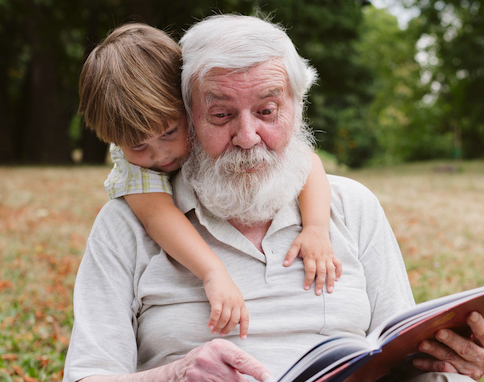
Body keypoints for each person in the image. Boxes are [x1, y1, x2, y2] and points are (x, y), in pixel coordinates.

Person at [58, 14, 484, 382]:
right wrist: (177, 380)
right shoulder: (129, 223)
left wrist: (450, 357)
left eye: (267, 112)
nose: (248, 137)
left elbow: (400, 358)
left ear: (296, 107)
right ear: (189, 112)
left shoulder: (349, 206)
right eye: (222, 114)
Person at [78, 23, 342, 338]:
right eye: (138, 146)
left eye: (169, 133)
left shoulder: (204, 115)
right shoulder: (134, 170)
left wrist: (315, 227)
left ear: (186, 105)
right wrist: (213, 272)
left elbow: (307, 162)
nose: (160, 155)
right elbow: (159, 217)